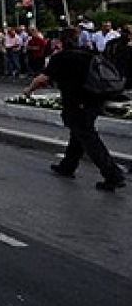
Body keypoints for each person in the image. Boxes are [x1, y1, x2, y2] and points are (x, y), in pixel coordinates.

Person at [23, 27, 126, 191]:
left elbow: (43, 78)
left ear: (60, 41)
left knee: (88, 137)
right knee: (78, 133)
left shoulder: (61, 58)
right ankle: (67, 166)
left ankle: (113, 175)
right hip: (94, 99)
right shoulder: (89, 54)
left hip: (76, 101)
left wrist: (29, 89)